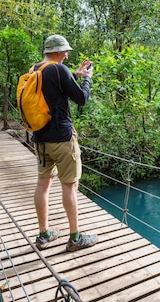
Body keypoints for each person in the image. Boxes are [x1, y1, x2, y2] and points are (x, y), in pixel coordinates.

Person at [31, 34, 98, 252]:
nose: (67, 55)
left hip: (40, 139)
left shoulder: (36, 69)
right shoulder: (59, 70)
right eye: (66, 51)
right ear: (58, 52)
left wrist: (74, 75)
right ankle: (75, 238)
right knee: (70, 186)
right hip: (61, 138)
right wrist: (87, 78)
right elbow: (81, 99)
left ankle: (43, 235)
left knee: (43, 185)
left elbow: (53, 93)